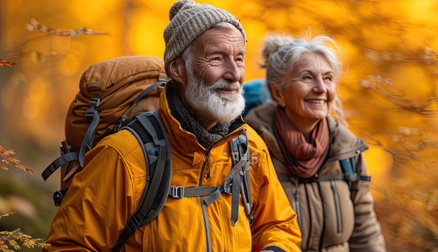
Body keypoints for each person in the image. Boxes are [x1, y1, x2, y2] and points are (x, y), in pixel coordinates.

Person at [44, 1, 301, 251]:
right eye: (217, 58)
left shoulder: (248, 146)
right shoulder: (124, 155)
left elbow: (279, 225)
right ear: (177, 68)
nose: (235, 74)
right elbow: (68, 245)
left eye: (239, 59)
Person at [245, 35, 386, 252]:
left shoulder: (347, 151)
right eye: (307, 77)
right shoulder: (250, 149)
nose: (321, 88)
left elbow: (364, 233)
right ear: (278, 92)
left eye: (328, 78)